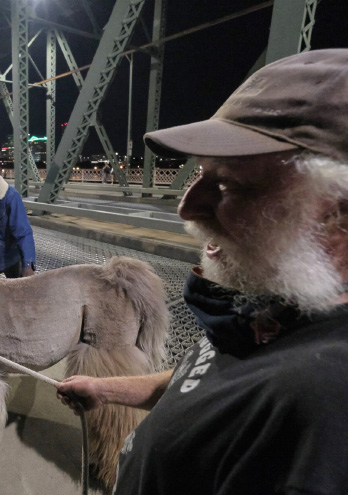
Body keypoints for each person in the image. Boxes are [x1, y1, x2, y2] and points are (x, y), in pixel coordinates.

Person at [57, 49, 348, 494]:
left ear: (338, 216)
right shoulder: (275, 311)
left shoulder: (321, 411)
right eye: (199, 173)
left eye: (229, 184)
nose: (187, 206)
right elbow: (206, 375)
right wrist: (108, 389)